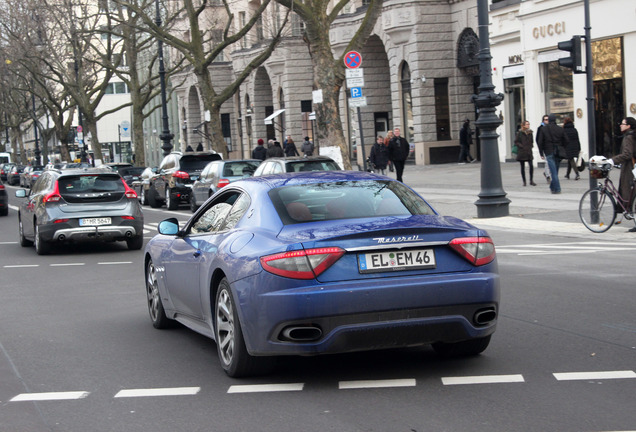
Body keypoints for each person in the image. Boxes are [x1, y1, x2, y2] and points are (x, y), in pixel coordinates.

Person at [610, 117, 636, 230]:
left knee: (630, 194)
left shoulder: (628, 137)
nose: (620, 125)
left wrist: (612, 160)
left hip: (630, 169)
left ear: (628, 126)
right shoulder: (633, 135)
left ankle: (629, 212)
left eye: (623, 123)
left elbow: (627, 154)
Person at [537, 114, 569, 194]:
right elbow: (567, 140)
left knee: (553, 171)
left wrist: (541, 152)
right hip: (558, 151)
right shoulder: (560, 129)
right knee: (555, 171)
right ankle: (552, 187)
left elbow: (540, 142)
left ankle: (557, 188)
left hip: (549, 151)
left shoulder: (544, 129)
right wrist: (562, 146)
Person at [514, 120, 536, 186]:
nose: (528, 125)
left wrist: (531, 146)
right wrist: (521, 146)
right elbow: (516, 141)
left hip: (529, 151)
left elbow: (532, 141)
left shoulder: (530, 132)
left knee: (531, 166)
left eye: (528, 124)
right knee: (522, 167)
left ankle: (531, 180)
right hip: (522, 152)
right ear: (523, 125)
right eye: (527, 124)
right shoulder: (520, 133)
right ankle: (524, 181)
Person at [536, 114, 550, 182]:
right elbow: (538, 140)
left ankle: (546, 173)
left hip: (551, 148)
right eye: (545, 119)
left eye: (548, 119)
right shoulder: (540, 128)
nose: (547, 121)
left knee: (550, 162)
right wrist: (540, 152)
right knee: (547, 162)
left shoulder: (551, 127)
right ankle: (548, 176)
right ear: (543, 120)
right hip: (545, 148)